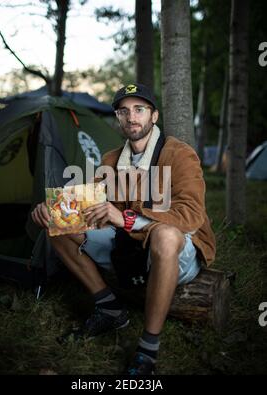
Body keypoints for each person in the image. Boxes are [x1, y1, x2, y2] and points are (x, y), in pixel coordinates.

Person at [31, 83, 216, 375]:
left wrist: (127, 219)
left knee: (165, 235)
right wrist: (50, 208)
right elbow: (86, 201)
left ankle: (147, 350)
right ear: (118, 118)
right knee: (56, 223)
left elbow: (191, 214)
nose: (132, 117)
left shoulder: (180, 155)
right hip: (130, 245)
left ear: (153, 116)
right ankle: (109, 308)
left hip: (178, 252)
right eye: (124, 111)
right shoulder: (111, 159)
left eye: (139, 109)